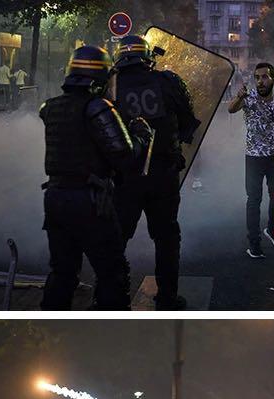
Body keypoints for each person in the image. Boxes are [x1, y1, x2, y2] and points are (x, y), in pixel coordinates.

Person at [38, 45, 152, 310]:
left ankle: (54, 332)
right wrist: (141, 135)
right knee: (112, 271)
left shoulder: (51, 107)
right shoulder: (98, 107)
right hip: (89, 201)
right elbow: (124, 155)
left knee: (62, 273)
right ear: (101, 78)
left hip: (54, 199)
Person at [112, 34, 201, 310]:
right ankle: (167, 298)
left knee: (115, 238)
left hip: (125, 176)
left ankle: (111, 296)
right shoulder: (168, 82)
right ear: (148, 58)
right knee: (166, 238)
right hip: (163, 175)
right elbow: (188, 125)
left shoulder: (110, 85)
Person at [228, 62, 274, 258]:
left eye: (265, 77)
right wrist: (239, 96)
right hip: (254, 157)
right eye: (257, 77)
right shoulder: (248, 99)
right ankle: (254, 242)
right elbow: (231, 110)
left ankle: (273, 230)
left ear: (273, 78)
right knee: (254, 200)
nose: (260, 81)